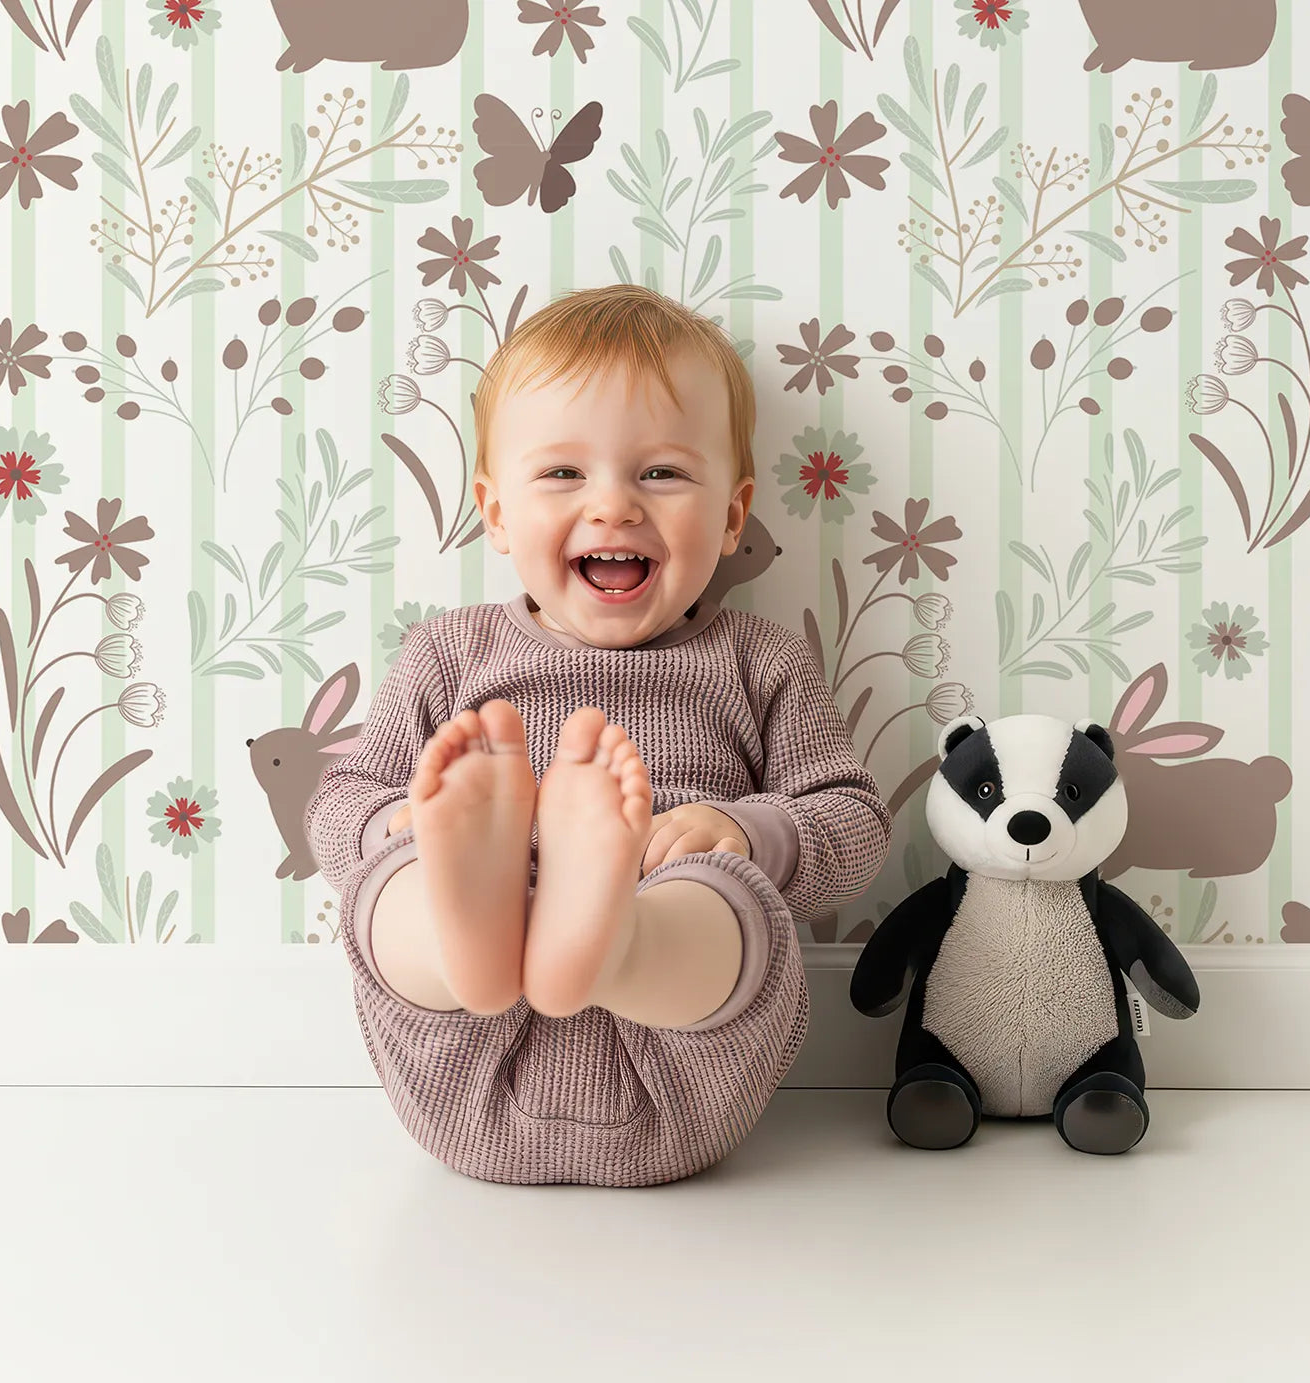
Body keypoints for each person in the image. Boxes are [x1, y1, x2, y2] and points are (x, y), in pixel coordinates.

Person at [303, 284, 891, 1187]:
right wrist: (400, 827)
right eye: (563, 474)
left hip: (686, 1068)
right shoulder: (451, 654)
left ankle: (614, 943)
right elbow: (337, 803)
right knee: (395, 879)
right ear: (496, 512)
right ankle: (467, 933)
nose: (613, 506)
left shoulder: (757, 661)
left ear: (732, 517)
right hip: (461, 1064)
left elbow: (852, 822)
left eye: (661, 474)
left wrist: (744, 833)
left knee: (719, 892)